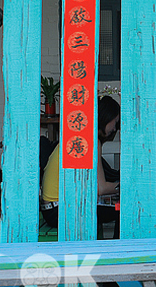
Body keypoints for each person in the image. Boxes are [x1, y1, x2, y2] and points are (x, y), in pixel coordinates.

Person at [40, 95, 121, 235]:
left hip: (51, 209)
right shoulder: (92, 140)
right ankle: (119, 252)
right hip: (60, 211)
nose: (115, 129)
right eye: (115, 122)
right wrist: (127, 186)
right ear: (107, 118)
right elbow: (100, 188)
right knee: (123, 210)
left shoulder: (79, 136)